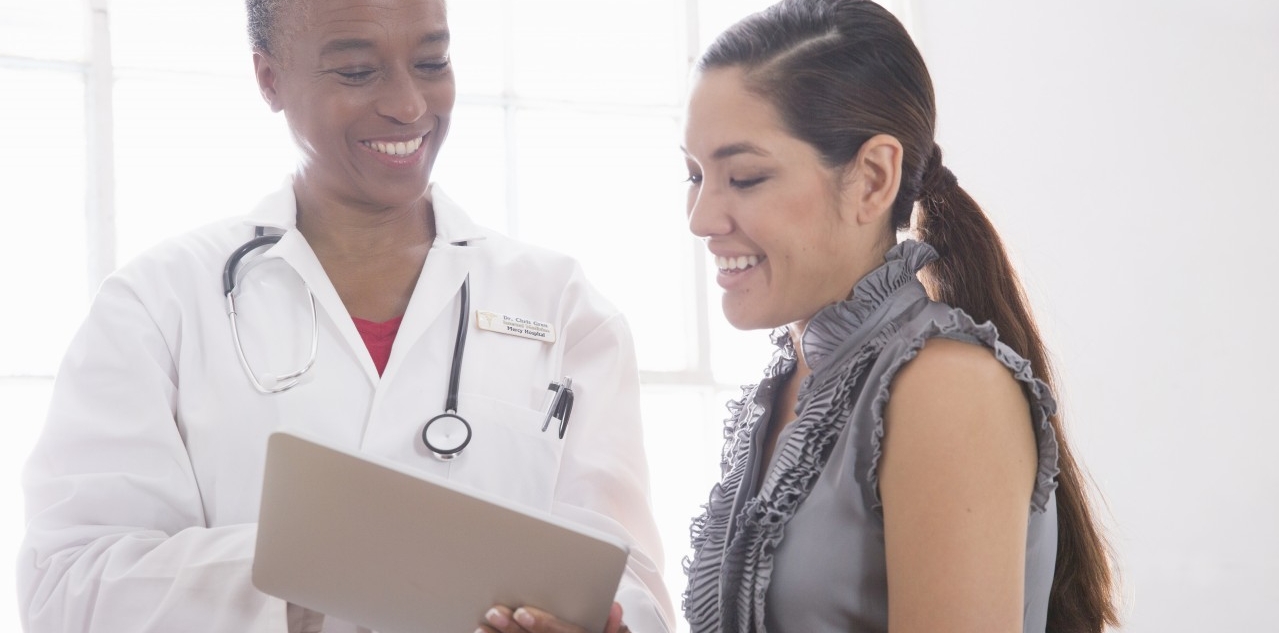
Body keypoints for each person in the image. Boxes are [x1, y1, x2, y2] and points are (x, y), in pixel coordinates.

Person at [16, 0, 674, 631]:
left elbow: (634, 591)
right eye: (358, 71)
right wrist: (323, 566)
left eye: (431, 63)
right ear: (269, 77)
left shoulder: (561, 305)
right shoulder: (156, 304)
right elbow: (67, 585)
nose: (408, 105)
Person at [675, 1, 1120, 632]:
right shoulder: (789, 388)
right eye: (693, 175)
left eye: (744, 177)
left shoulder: (946, 389)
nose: (700, 218)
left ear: (874, 178)